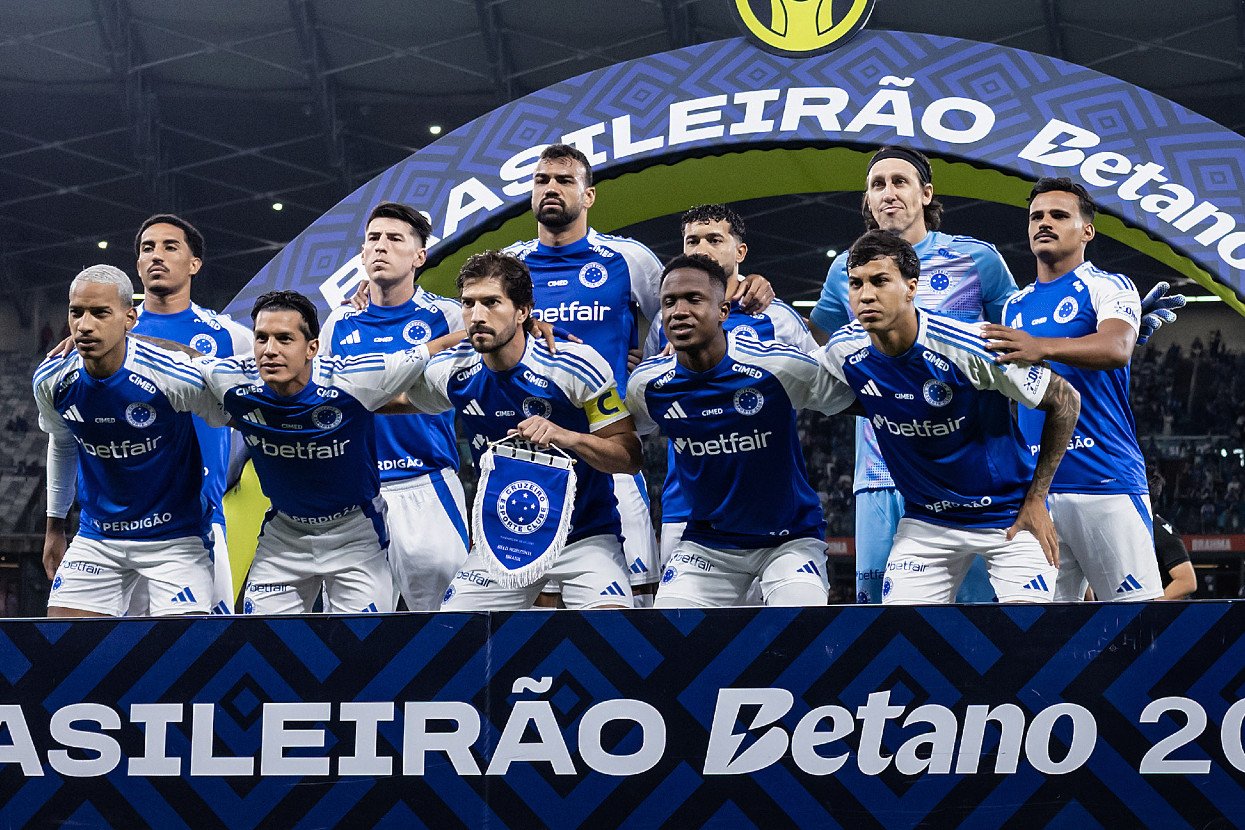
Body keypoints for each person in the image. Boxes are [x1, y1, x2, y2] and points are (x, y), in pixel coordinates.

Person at [504, 144, 776, 604]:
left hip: (609, 449)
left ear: (588, 195)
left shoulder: (630, 259)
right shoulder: (510, 266)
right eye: (542, 180)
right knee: (535, 604)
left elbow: (689, 309)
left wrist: (645, 366)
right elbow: (470, 325)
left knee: (634, 603)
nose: (551, 188)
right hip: (530, 451)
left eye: (564, 180)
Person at [817, 231, 1082, 604]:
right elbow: (823, 393)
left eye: (880, 281)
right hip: (927, 523)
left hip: (1008, 515)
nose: (866, 295)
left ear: (911, 288)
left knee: (1033, 640)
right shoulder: (843, 350)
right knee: (901, 643)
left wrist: (1037, 498)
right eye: (856, 284)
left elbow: (1065, 400)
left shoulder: (971, 346)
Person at [810, 146, 1015, 604]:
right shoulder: (846, 270)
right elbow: (819, 349)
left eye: (900, 182)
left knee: (978, 620)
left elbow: (1021, 342)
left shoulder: (977, 260)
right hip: (881, 470)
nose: (888, 193)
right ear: (867, 200)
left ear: (926, 193)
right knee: (884, 619)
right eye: (877, 185)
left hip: (969, 475)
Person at [175, 290, 462, 614]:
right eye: (261, 339)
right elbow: (183, 359)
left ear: (313, 348)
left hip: (356, 533)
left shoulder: (356, 378)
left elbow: (436, 348)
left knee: (359, 641)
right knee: (262, 639)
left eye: (284, 339)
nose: (270, 350)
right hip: (285, 532)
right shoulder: (232, 380)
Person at [402, 251, 643, 610]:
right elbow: (383, 398)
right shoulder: (451, 370)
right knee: (452, 639)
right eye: (468, 304)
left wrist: (566, 436)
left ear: (523, 311)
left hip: (586, 538)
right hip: (501, 541)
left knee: (613, 634)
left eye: (491, 302)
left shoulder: (575, 364)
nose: (477, 315)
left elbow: (629, 457)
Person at [629, 254, 855, 607]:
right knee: (669, 639)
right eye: (669, 302)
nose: (679, 310)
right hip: (708, 543)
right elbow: (623, 438)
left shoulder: (776, 366)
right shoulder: (648, 384)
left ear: (722, 311)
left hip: (789, 539)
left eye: (694, 299)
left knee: (803, 630)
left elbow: (856, 399)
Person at [984, 177, 1162, 601]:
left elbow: (1118, 346)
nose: (1044, 223)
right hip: (1036, 494)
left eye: (1059, 215)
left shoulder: (1109, 285)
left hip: (1106, 482)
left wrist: (1039, 346)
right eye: (1036, 217)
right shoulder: (1015, 305)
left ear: (1087, 230)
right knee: (1034, 636)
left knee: (1140, 628)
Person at [33, 265, 229, 617]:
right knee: (61, 653)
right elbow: (62, 445)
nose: (85, 325)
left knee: (186, 660)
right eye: (76, 312)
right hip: (98, 537)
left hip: (176, 539)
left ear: (129, 318)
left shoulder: (169, 374)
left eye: (100, 313)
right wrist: (54, 527)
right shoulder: (52, 378)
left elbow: (229, 409)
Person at [644, 204, 817, 571]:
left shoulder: (776, 316)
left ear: (740, 252)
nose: (701, 249)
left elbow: (820, 384)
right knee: (684, 627)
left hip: (769, 513)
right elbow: (651, 392)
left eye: (714, 239)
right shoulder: (666, 320)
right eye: (692, 241)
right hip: (686, 507)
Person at [319, 202, 468, 611]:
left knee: (447, 619)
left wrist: (364, 400)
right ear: (363, 254)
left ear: (419, 256)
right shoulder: (339, 323)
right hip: (356, 493)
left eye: (394, 239)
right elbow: (328, 403)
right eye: (373, 239)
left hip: (427, 484)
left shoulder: (450, 316)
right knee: (352, 627)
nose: (380, 247)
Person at [131, 213, 252, 614]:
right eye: (148, 248)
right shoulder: (110, 333)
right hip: (119, 523)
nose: (156, 256)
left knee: (203, 655)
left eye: (170, 247)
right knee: (107, 658)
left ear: (194, 264)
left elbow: (286, 383)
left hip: (198, 520)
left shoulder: (229, 335)